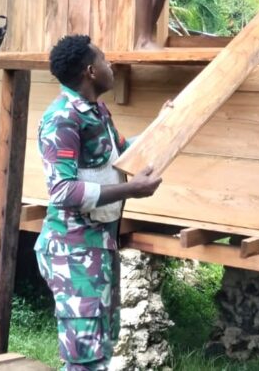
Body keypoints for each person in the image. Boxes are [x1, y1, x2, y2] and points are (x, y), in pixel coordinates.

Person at [35, 34, 165, 370]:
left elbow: (121, 152)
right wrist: (131, 190)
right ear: (91, 71)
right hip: (72, 251)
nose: (111, 66)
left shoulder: (96, 112)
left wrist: (163, 125)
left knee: (101, 348)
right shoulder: (63, 119)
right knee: (85, 359)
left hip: (99, 245)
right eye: (105, 61)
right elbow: (63, 191)